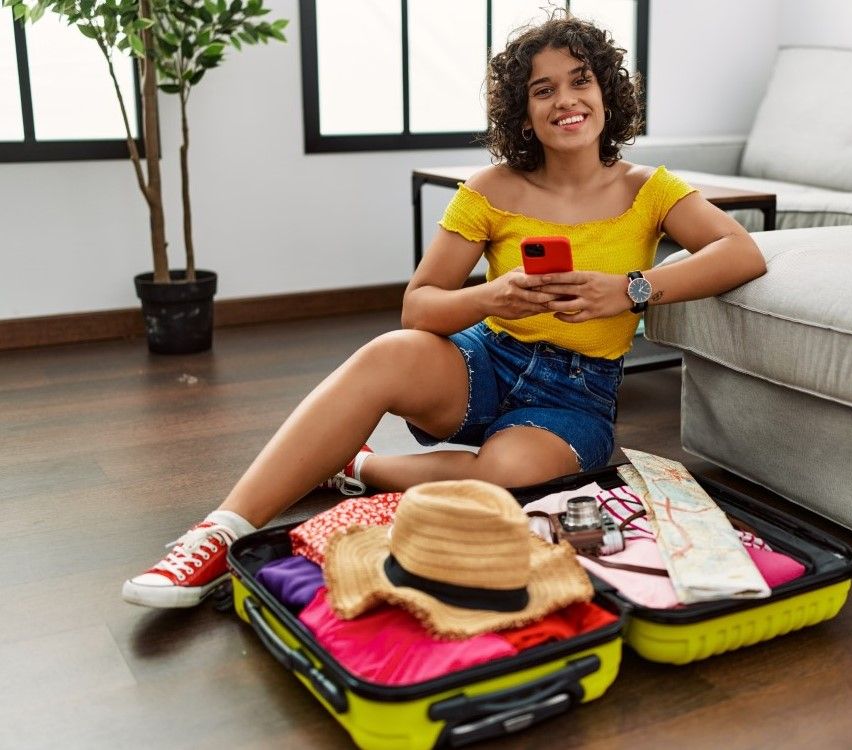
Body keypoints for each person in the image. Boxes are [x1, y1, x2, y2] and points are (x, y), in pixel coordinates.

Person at [121, 14, 767, 609]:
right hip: (489, 359)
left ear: (607, 92)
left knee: (507, 478)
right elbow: (418, 308)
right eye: (543, 90)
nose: (566, 100)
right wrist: (493, 296)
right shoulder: (489, 191)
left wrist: (632, 289)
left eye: (580, 81)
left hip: (577, 396)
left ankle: (357, 467)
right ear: (523, 111)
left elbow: (741, 251)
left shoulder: (649, 190)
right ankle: (215, 534)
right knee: (388, 354)